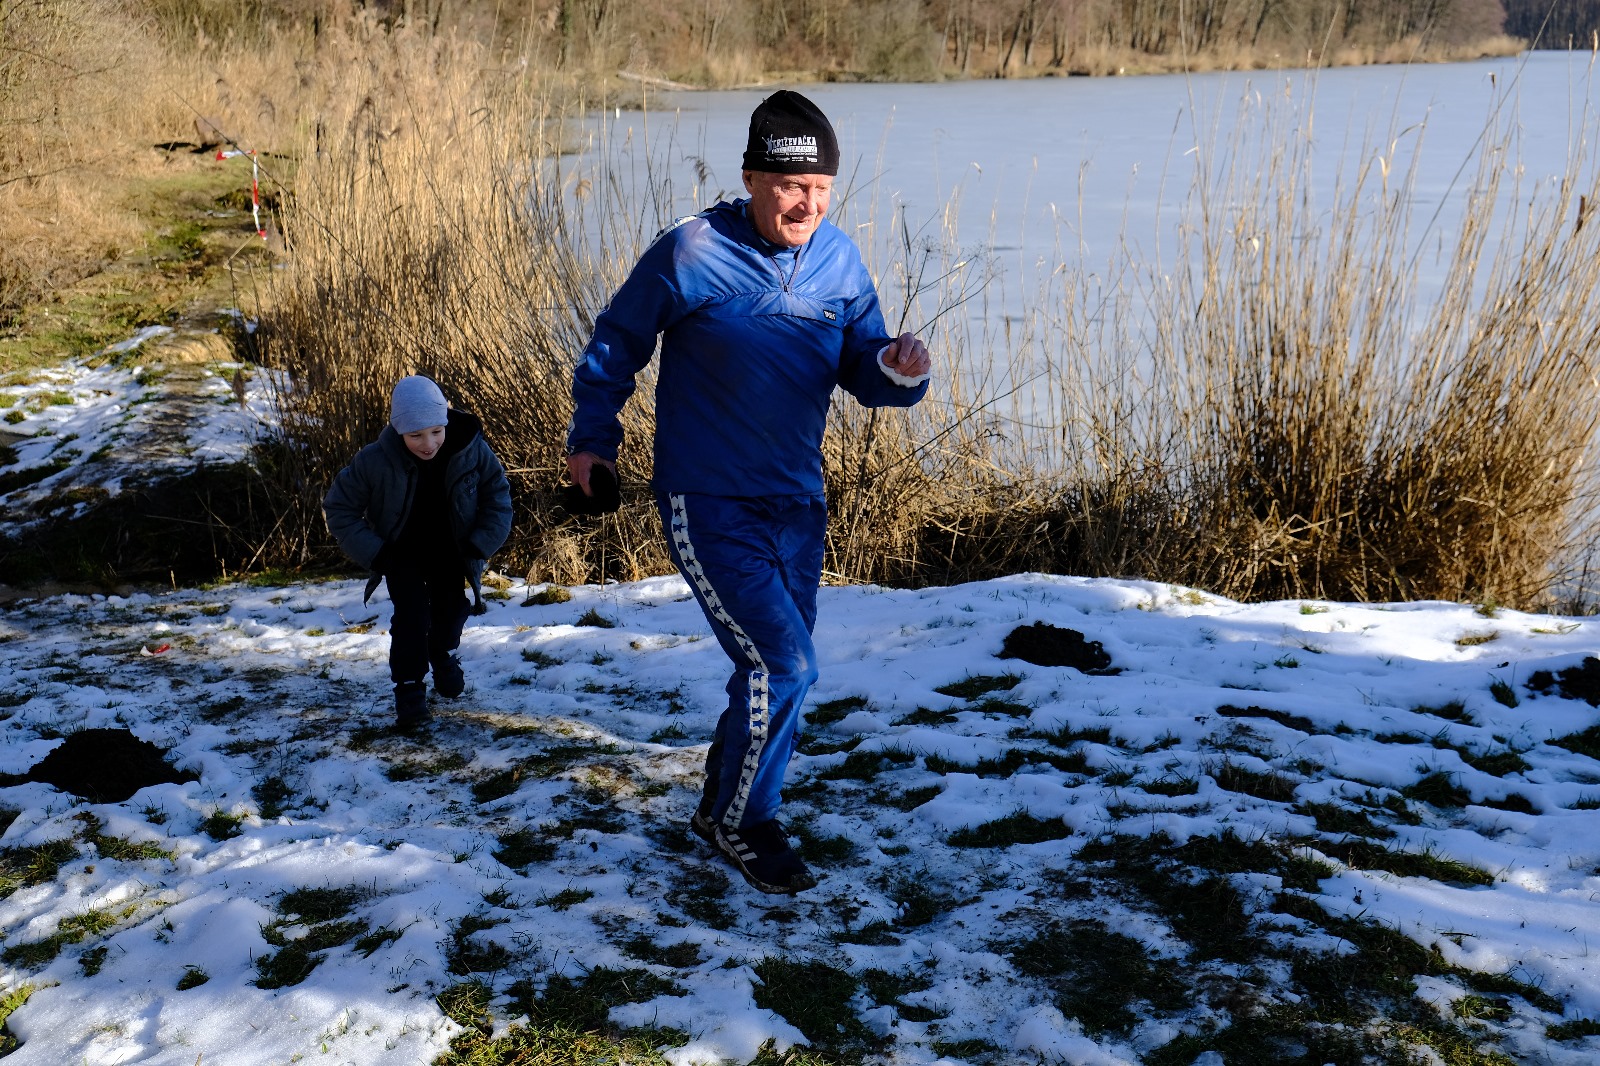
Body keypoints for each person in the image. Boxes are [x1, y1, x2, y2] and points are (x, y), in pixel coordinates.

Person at [565, 90, 932, 894]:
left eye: (822, 189)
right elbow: (617, 342)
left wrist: (899, 369)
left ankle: (721, 804)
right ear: (752, 178)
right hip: (708, 500)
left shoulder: (839, 261)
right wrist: (592, 439)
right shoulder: (691, 250)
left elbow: (865, 367)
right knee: (784, 664)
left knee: (771, 668)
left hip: (798, 502)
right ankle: (747, 822)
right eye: (792, 186)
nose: (808, 205)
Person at [324, 375, 513, 728]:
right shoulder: (374, 460)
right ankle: (409, 693)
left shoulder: (471, 449)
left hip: (451, 552)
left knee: (451, 611)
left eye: (436, 432)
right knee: (411, 619)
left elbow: (497, 494)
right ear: (398, 430)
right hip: (401, 556)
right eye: (416, 436)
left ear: (445, 423)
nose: (428, 444)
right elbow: (339, 508)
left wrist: (480, 543)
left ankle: (441, 653)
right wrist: (378, 554)